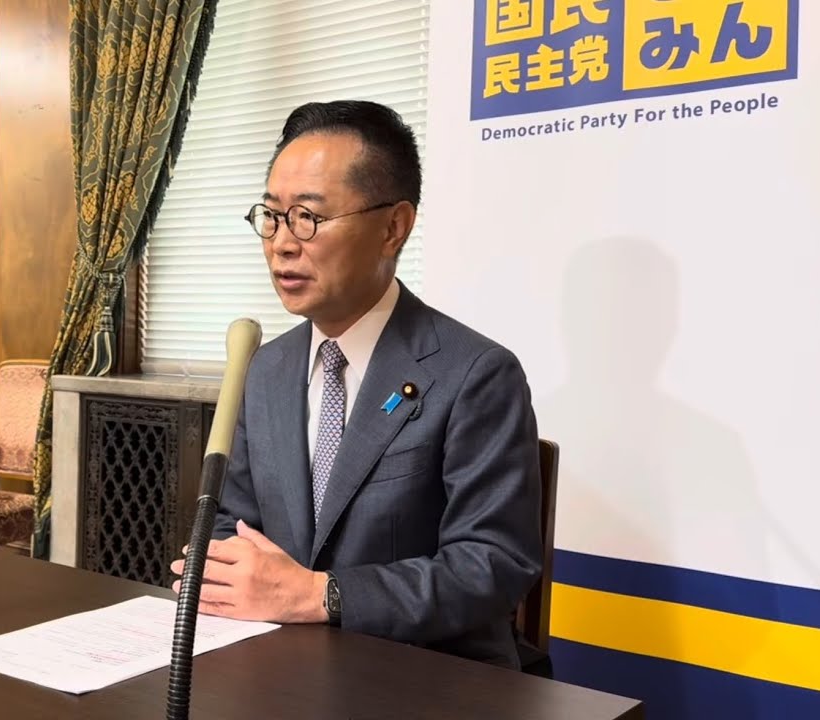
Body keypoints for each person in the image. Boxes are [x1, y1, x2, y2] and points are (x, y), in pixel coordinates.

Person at [170, 100, 542, 668]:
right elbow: (232, 523)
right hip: (283, 669)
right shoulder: (265, 369)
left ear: (393, 227)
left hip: (424, 676)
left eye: (308, 217)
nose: (282, 242)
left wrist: (322, 594)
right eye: (272, 216)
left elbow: (492, 563)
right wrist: (222, 574)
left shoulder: (474, 373)